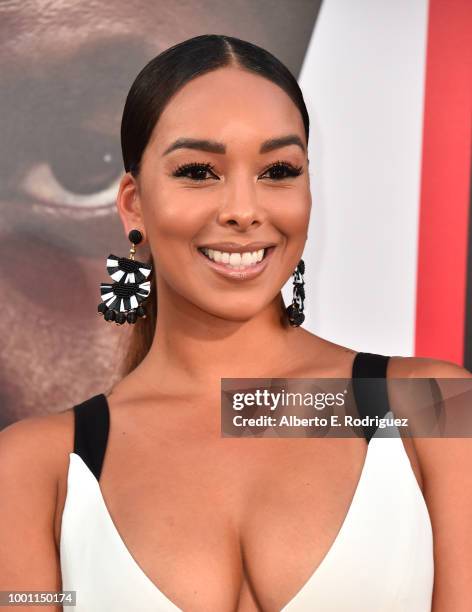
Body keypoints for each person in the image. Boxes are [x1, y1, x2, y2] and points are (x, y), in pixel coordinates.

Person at [1, 34, 471, 612]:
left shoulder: (431, 407)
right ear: (134, 205)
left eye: (278, 169)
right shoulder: (37, 466)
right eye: (199, 172)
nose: (244, 210)